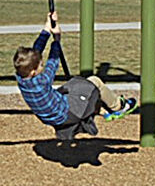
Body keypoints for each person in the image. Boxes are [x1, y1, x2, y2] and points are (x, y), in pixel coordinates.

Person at [15, 11, 137, 142]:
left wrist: (47, 27)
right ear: (33, 71)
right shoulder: (42, 81)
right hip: (67, 114)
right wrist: (56, 39)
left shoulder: (20, 77)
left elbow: (36, 51)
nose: (42, 66)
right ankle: (118, 107)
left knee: (76, 83)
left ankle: (102, 110)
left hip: (50, 115)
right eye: (40, 65)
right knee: (94, 82)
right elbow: (53, 61)